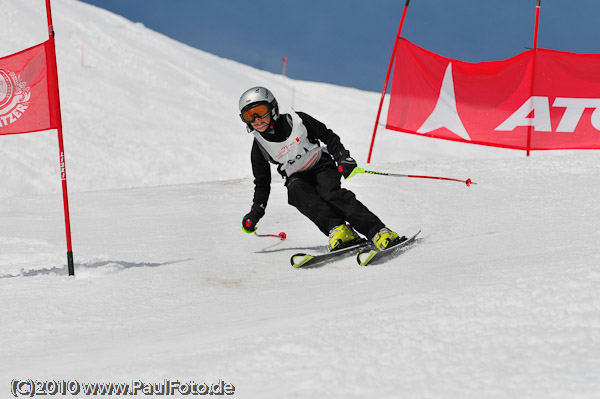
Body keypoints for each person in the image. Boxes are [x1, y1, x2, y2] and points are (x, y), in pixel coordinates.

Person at [239, 86, 405, 251]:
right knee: (296, 191)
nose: (256, 119)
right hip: (297, 177)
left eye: (260, 111)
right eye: (249, 116)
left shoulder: (296, 121)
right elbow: (262, 183)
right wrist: (256, 213)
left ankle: (379, 232)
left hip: (321, 165)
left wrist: (342, 157)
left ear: (273, 108)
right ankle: (339, 230)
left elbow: (328, 136)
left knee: (330, 193)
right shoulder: (260, 146)